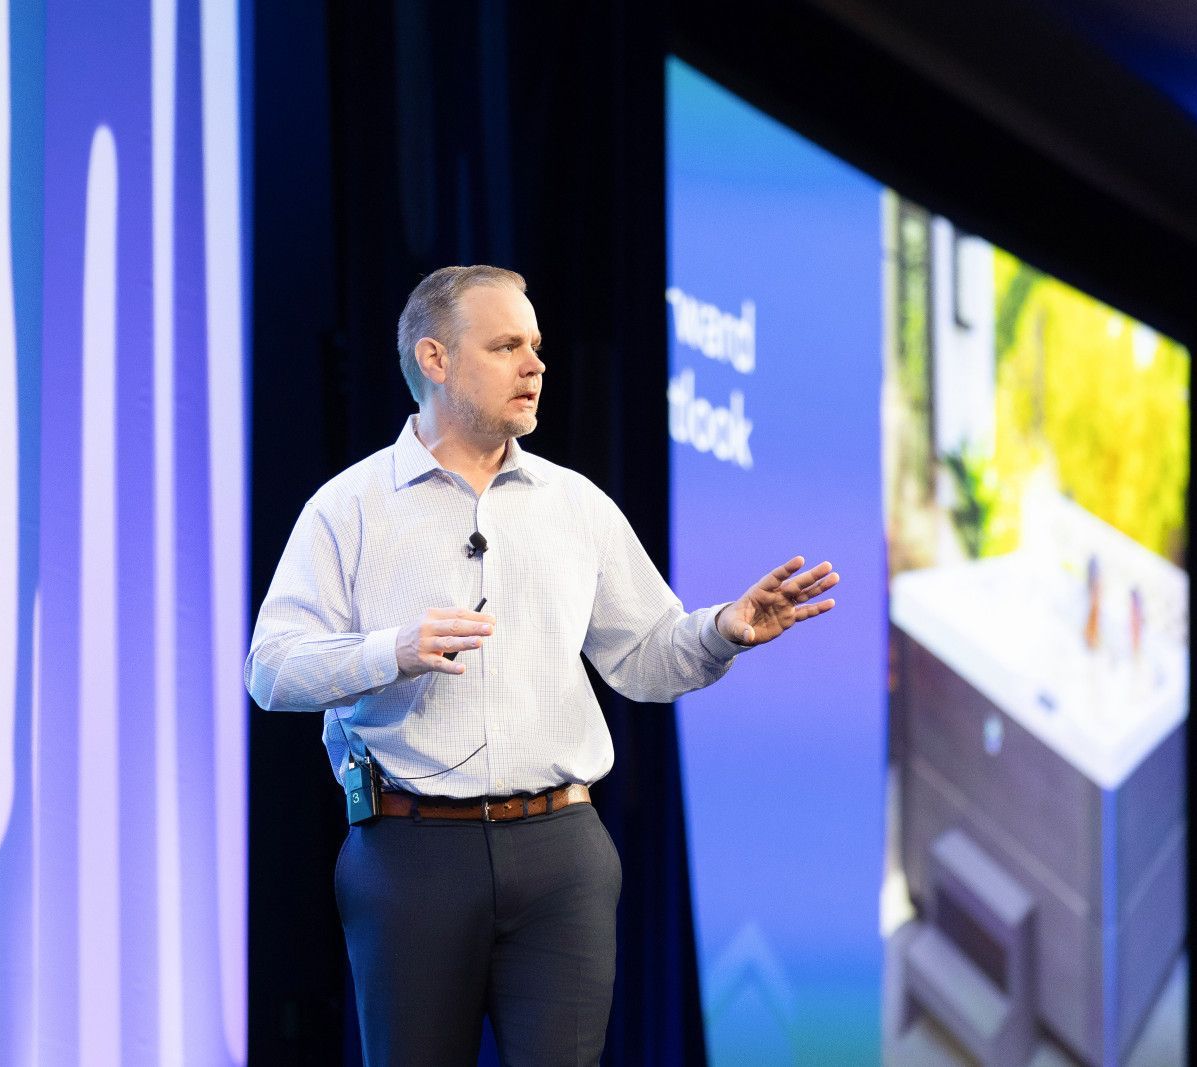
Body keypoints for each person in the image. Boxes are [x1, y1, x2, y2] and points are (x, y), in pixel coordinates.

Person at [245, 265, 838, 1066]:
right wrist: (393, 650)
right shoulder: (349, 508)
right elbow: (272, 670)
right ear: (435, 358)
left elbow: (646, 657)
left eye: (537, 346)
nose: (535, 365)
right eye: (506, 345)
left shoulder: (575, 505)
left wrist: (724, 629)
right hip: (411, 851)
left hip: (561, 852)